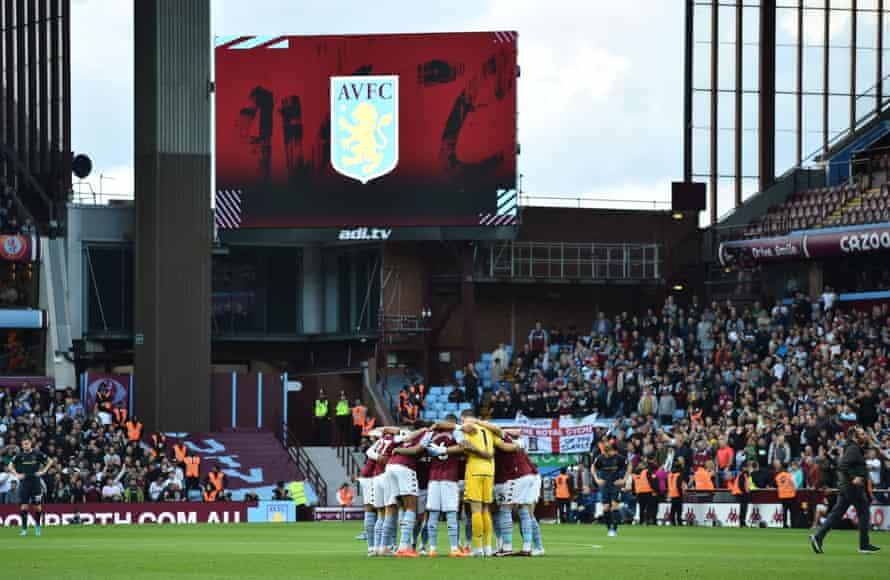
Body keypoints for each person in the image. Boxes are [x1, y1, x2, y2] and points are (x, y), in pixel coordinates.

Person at [810, 426, 880, 554]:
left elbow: (850, 464)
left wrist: (864, 469)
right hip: (853, 487)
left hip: (847, 487)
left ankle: (818, 537)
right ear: (854, 437)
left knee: (837, 513)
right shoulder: (853, 449)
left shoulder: (854, 448)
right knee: (864, 513)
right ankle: (864, 545)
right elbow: (843, 465)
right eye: (861, 434)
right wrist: (854, 477)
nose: (864, 435)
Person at [423, 417, 467, 558]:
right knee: (451, 512)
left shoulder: (432, 433)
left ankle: (432, 549)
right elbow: (463, 446)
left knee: (433, 512)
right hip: (450, 477)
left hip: (434, 477)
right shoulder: (456, 432)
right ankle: (454, 548)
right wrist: (446, 450)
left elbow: (423, 446)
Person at [8, 437, 53, 536]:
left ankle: (37, 526)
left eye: (27, 443)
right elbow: (10, 466)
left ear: (30, 444)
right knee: (24, 507)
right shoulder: (19, 455)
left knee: (38, 507)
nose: (26, 445)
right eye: (24, 444)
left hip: (35, 483)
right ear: (22, 445)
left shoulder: (37, 454)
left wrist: (43, 471)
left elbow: (50, 461)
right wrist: (16, 474)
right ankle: (24, 529)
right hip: (24, 483)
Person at [592, 443, 630, 537]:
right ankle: (609, 529)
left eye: (607, 452)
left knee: (614, 505)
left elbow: (629, 466)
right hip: (605, 485)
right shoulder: (600, 458)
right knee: (606, 507)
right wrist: (597, 479)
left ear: (611, 451)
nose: (605, 454)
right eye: (604, 452)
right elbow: (593, 467)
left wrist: (624, 479)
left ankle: (614, 529)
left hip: (615, 484)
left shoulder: (619, 458)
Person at [775, 463, 797, 528]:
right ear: (787, 468)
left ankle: (784, 524)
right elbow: (795, 484)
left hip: (782, 496)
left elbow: (777, 484)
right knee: (792, 511)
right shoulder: (790, 475)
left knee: (784, 511)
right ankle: (793, 524)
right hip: (790, 495)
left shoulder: (778, 476)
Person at [667, 462, 685, 526]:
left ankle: (672, 521)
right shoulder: (678, 475)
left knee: (673, 508)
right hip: (677, 493)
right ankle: (679, 522)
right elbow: (678, 485)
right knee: (679, 509)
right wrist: (681, 494)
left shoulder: (670, 475)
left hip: (672, 493)